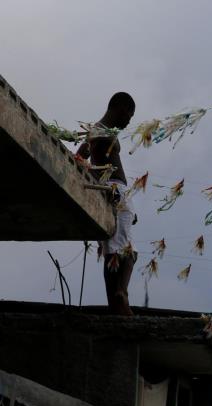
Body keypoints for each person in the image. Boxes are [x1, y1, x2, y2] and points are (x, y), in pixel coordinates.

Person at [76, 92, 137, 315]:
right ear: (121, 109)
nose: (129, 121)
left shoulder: (98, 129)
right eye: (129, 116)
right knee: (128, 252)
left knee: (111, 249)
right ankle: (121, 295)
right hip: (114, 190)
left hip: (112, 191)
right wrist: (107, 190)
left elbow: (81, 157)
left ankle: (115, 301)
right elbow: (80, 158)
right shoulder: (99, 129)